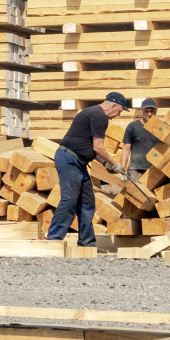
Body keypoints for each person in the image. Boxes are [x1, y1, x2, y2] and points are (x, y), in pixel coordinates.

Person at [47, 91, 123, 245]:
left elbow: (88, 147)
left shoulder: (94, 113)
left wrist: (105, 163)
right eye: (120, 111)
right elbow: (99, 147)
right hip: (69, 160)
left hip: (78, 162)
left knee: (87, 202)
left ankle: (86, 244)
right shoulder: (99, 115)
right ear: (113, 105)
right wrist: (115, 164)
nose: (118, 115)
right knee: (69, 199)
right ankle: (53, 240)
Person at [121, 99, 159, 184]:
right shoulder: (132, 127)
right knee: (136, 195)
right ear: (141, 110)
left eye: (152, 111)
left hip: (155, 170)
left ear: (156, 110)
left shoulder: (160, 128)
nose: (149, 114)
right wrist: (122, 169)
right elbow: (126, 149)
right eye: (146, 111)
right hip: (136, 170)